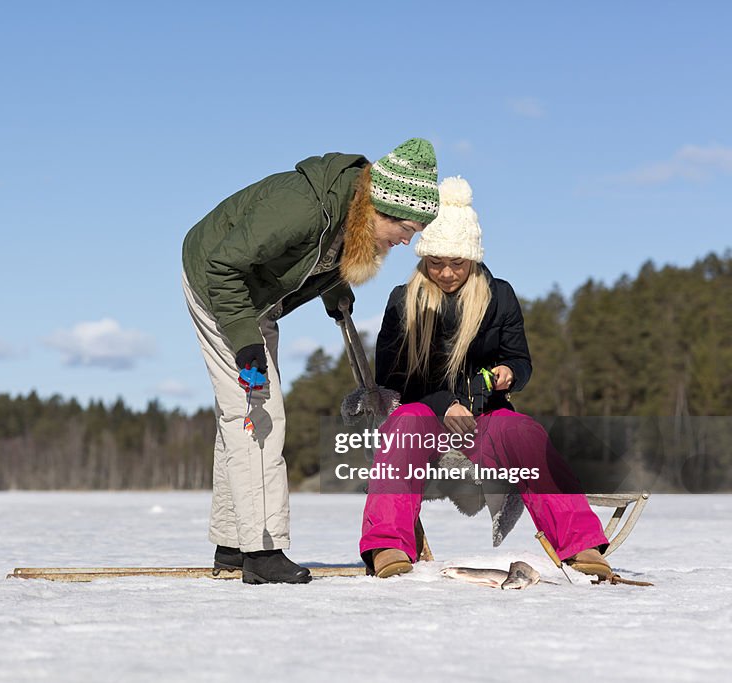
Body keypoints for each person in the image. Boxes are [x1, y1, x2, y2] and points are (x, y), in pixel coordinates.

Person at [182, 139, 440, 584]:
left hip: (255, 300)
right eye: (407, 229)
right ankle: (262, 553)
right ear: (379, 207)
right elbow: (225, 265)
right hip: (218, 287)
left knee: (242, 414)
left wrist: (335, 289)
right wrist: (245, 342)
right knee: (258, 411)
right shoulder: (304, 207)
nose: (405, 241)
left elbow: (319, 255)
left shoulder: (352, 217)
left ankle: (234, 546)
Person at [359, 176, 612, 579]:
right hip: (424, 414)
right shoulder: (402, 301)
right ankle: (387, 544)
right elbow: (391, 376)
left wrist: (512, 372)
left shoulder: (501, 296)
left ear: (472, 258)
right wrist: (444, 403)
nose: (445, 273)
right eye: (435, 262)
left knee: (527, 434)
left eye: (456, 263)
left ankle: (581, 543)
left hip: (486, 415)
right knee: (402, 426)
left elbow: (520, 359)